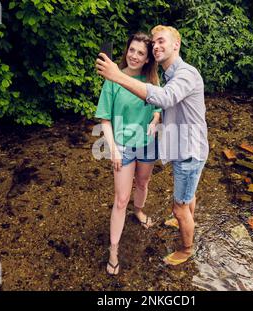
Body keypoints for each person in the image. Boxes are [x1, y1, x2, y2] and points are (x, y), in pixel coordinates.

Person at [96, 25, 209, 266]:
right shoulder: (167, 75)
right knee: (185, 197)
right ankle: (116, 248)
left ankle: (186, 248)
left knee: (179, 207)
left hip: (188, 151)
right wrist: (156, 118)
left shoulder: (183, 74)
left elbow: (164, 99)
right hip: (166, 148)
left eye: (161, 42)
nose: (155, 46)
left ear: (176, 45)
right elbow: (163, 102)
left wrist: (117, 75)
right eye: (153, 43)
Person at [95, 32, 162, 275]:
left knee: (143, 182)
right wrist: (112, 149)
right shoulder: (113, 79)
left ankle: (139, 211)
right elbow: (104, 119)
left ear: (147, 59)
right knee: (121, 198)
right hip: (122, 146)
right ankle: (113, 249)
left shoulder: (151, 81)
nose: (134, 56)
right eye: (131, 50)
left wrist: (156, 118)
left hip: (147, 144)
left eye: (140, 53)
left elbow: (158, 107)